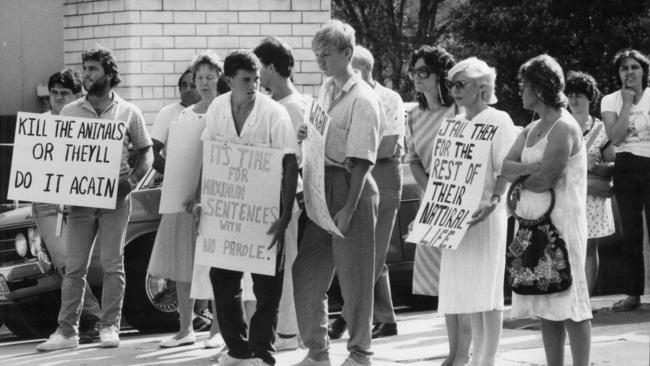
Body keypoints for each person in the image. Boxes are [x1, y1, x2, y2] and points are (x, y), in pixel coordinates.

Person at [37, 46, 153, 351]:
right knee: (74, 267)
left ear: (110, 74)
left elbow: (146, 152)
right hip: (80, 201)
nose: (86, 75)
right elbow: (57, 155)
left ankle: (109, 327)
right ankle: (66, 332)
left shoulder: (130, 112)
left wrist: (129, 184)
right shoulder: (70, 111)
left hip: (116, 198)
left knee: (114, 263)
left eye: (92, 69)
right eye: (85, 68)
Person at [201, 50, 299, 366]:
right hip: (228, 210)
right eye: (246, 80)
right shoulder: (217, 108)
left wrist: (284, 215)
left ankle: (262, 351)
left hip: (267, 208)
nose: (253, 85)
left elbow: (289, 161)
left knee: (267, 285)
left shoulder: (274, 113)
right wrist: (204, 200)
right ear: (228, 80)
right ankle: (238, 349)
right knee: (223, 280)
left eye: (257, 79)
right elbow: (211, 155)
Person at [293, 20, 381, 366]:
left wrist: (348, 207)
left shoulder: (364, 99)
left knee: (354, 275)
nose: (320, 61)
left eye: (326, 54)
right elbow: (323, 137)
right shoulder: (327, 90)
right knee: (306, 271)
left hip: (350, 187)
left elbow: (362, 161)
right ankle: (318, 352)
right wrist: (307, 132)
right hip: (321, 184)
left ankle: (360, 353)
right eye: (317, 54)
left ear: (347, 53)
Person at [502, 54, 591, 366]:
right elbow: (504, 166)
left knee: (572, 303)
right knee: (546, 301)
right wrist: (529, 172)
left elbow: (545, 180)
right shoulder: (531, 129)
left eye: (524, 85)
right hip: (532, 226)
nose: (520, 91)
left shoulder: (564, 128)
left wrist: (521, 176)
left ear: (539, 89)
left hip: (562, 227)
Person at [439, 57, 518, 366]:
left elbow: (506, 169)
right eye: (451, 84)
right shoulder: (453, 123)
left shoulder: (499, 120)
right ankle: (472, 357)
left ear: (483, 87)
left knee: (487, 289)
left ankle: (487, 359)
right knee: (466, 291)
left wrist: (495, 201)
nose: (455, 91)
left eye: (462, 84)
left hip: (486, 216)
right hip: (455, 219)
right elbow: (444, 176)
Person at [148, 51, 225, 349]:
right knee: (183, 263)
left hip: (213, 199)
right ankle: (185, 328)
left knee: (216, 264)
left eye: (210, 77)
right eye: (199, 78)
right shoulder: (184, 114)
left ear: (220, 78)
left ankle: (218, 328)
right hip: (182, 197)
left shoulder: (225, 110)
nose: (204, 83)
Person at [403, 45, 471, 366]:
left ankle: (464, 351)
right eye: (413, 72)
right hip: (430, 203)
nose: (417, 78)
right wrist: (429, 190)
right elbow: (412, 158)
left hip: (458, 202)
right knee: (443, 283)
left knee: (461, 279)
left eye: (423, 72)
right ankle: (453, 349)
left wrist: (443, 192)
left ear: (439, 75)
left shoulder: (458, 112)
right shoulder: (413, 116)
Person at [33, 69, 103, 344]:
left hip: (78, 199)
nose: (57, 98)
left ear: (77, 96)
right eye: (54, 93)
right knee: (63, 263)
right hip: (48, 200)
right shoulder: (40, 123)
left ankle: (87, 321)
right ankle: (89, 319)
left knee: (74, 264)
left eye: (64, 93)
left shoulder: (85, 121)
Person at [253, 36, 308, 352]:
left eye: (260, 68)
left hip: (286, 199)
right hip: (273, 198)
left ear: (271, 67)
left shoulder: (291, 108)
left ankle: (287, 331)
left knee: (285, 265)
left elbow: (298, 159)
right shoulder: (284, 106)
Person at [348, 44, 404, 339]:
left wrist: (352, 153)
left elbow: (388, 145)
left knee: (375, 251)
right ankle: (386, 318)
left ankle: (348, 317)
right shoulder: (345, 96)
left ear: (363, 70)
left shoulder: (388, 98)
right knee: (363, 250)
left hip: (382, 174)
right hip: (355, 173)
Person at [601, 49, 650, 311]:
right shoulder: (610, 101)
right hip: (626, 165)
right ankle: (633, 294)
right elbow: (616, 138)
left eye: (634, 67)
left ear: (643, 71)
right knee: (630, 234)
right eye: (624, 68)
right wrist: (628, 103)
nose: (629, 72)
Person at [565, 71, 616, 296]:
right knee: (565, 247)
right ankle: (567, 296)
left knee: (589, 248)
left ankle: (583, 298)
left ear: (590, 98)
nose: (574, 101)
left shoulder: (601, 128)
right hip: (565, 194)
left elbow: (614, 162)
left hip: (592, 195)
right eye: (571, 95)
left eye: (580, 96)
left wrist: (597, 166)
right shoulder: (560, 126)